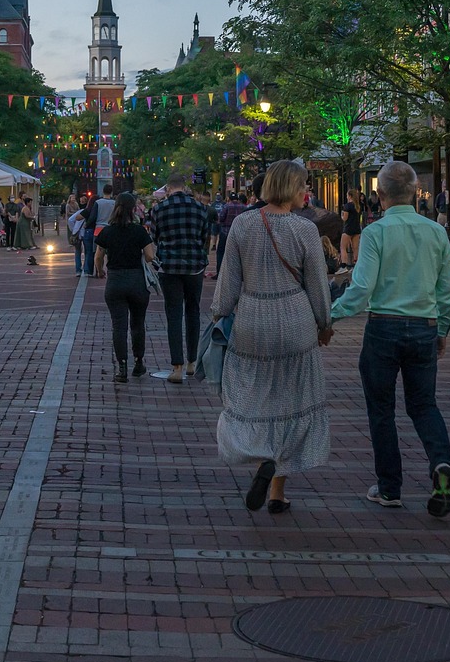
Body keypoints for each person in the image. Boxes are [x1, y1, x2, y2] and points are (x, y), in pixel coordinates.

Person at [332, 159, 450, 517]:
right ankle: (441, 462)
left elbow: (361, 288)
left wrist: (330, 316)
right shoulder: (436, 232)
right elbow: (446, 289)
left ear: (380, 195)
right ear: (416, 193)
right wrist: (443, 327)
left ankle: (390, 488)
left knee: (381, 410)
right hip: (424, 326)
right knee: (424, 405)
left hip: (384, 327)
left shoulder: (376, 232)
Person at [212, 159, 333, 514]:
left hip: (252, 320)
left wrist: (218, 315)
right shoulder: (305, 229)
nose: (306, 193)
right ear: (290, 188)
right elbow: (317, 286)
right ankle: (278, 491)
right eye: (303, 186)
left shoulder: (242, 224)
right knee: (293, 402)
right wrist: (324, 323)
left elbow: (228, 283)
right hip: (295, 321)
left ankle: (263, 455)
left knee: (253, 397)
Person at [149, 173, 216, 383]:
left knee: (174, 314)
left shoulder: (158, 209)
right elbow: (205, 236)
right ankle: (192, 363)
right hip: (194, 266)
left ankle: (176, 367)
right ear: (185, 187)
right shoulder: (200, 208)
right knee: (193, 312)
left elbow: (154, 237)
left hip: (169, 267)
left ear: (168, 188)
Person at [96, 193, 157, 382]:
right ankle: (138, 363)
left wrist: (100, 271)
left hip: (115, 281)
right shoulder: (139, 231)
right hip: (137, 281)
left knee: (118, 326)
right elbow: (149, 256)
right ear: (133, 209)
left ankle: (121, 366)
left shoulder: (107, 231)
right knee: (138, 324)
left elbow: (98, 256)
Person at [339, 190, 362, 266]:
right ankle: (356, 264)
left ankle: (343, 266)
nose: (346, 197)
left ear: (350, 196)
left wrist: (342, 216)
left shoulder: (347, 206)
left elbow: (345, 218)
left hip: (348, 228)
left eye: (347, 195)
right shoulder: (358, 206)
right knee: (355, 248)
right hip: (357, 228)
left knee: (343, 247)